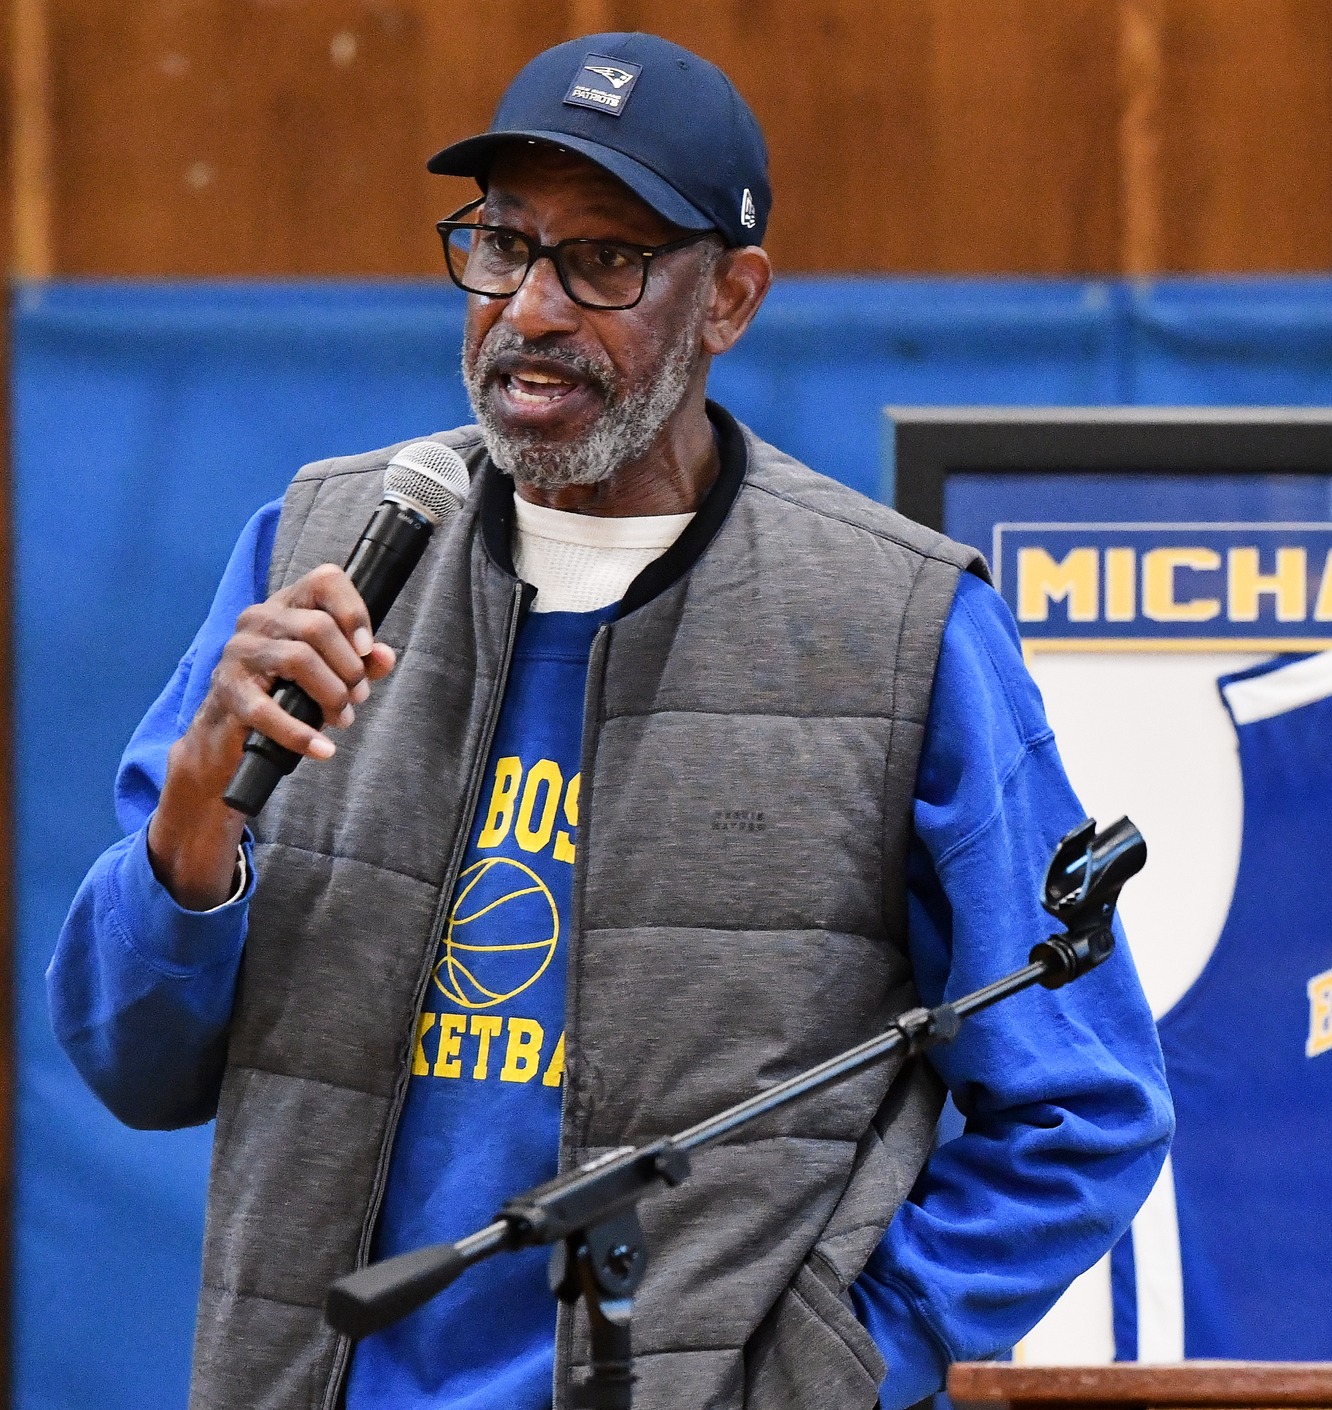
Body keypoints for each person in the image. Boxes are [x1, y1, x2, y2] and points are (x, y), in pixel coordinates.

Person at [49, 32, 1170, 1410]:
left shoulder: (893, 627)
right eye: (503, 245)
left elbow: (1085, 1101)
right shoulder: (320, 551)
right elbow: (130, 1060)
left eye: (605, 261)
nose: (529, 309)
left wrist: (830, 1373)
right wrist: (188, 825)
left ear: (731, 298)